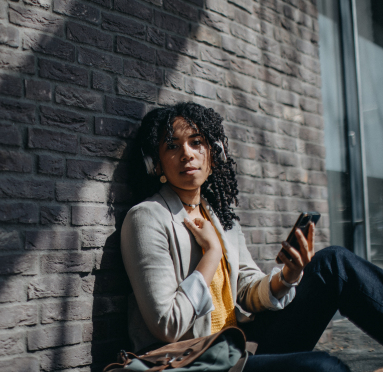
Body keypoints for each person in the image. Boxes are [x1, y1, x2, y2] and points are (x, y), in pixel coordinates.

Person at [121, 102, 383, 372]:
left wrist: (287, 277)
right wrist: (212, 253)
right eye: (173, 146)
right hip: (198, 361)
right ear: (156, 164)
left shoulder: (220, 217)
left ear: (214, 153)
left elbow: (247, 290)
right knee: (323, 367)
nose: (187, 154)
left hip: (243, 347)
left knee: (333, 263)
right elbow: (168, 324)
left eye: (196, 142)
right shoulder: (147, 218)